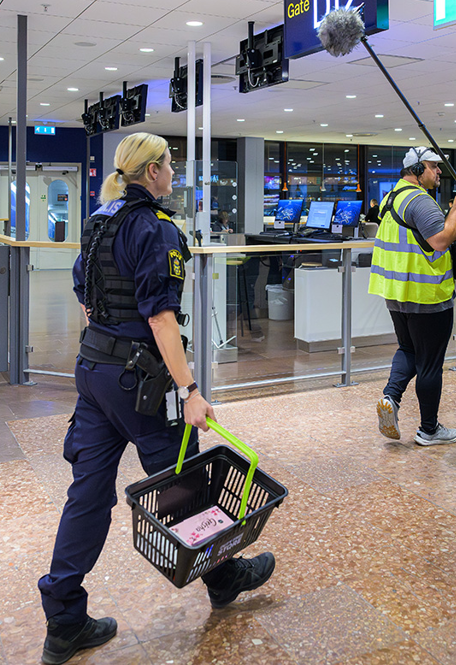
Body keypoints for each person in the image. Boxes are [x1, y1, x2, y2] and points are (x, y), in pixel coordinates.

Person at [38, 133, 275, 665]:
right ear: (152, 172)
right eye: (170, 164)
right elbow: (161, 317)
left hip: (93, 371)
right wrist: (190, 390)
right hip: (138, 384)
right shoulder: (155, 228)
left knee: (89, 493)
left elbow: (85, 296)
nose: (174, 172)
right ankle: (224, 577)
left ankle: (64, 620)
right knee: (184, 480)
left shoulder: (99, 220)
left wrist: (104, 347)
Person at [370, 146, 456, 446]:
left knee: (408, 350)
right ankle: (429, 429)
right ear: (417, 170)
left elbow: (430, 233)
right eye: (433, 166)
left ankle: (391, 398)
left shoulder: (394, 197)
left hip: (398, 291)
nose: (439, 171)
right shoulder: (421, 200)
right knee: (430, 362)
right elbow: (440, 240)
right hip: (427, 294)